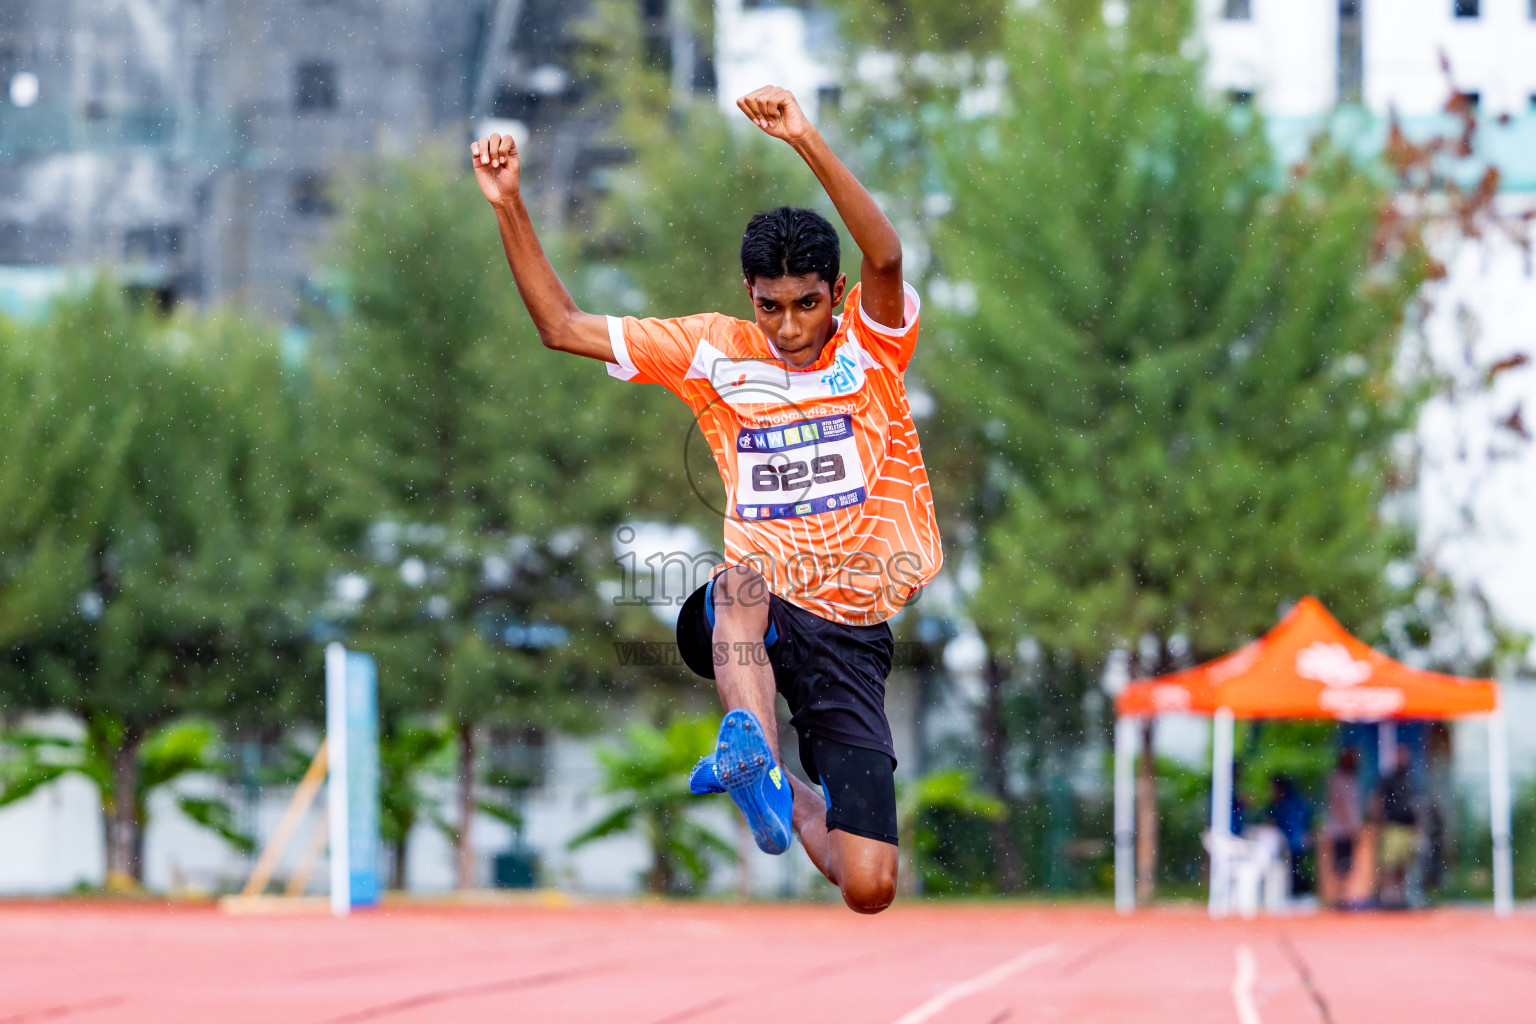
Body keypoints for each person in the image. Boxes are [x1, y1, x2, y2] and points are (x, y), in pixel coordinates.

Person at [470, 86, 942, 914]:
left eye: (807, 305)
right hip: (751, 613)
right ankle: (751, 742)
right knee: (737, 583)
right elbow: (562, 324)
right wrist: (510, 206)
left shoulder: (873, 347)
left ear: (835, 293)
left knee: (869, 887)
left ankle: (779, 791)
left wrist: (805, 138)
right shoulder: (712, 352)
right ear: (747, 294)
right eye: (770, 307)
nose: (790, 327)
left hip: (851, 634)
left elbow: (889, 258)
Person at [1373, 743, 1418, 908]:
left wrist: (1415, 827)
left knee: (1402, 864)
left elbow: (1415, 805)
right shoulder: (1389, 778)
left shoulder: (1409, 779)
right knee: (1388, 864)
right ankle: (1387, 896)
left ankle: (1400, 897)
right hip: (1392, 825)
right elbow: (1378, 800)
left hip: (1406, 827)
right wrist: (1379, 823)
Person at [1264, 775, 1313, 897]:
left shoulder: (1286, 802)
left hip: (1291, 843)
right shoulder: (1291, 801)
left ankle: (1297, 894)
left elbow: (1281, 822)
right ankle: (1297, 894)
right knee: (1295, 870)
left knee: (1293, 870)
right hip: (1293, 842)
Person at [1324, 748, 1362, 895]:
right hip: (1340, 830)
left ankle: (1343, 896)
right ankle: (1339, 897)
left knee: (1347, 865)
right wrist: (1348, 825)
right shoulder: (1337, 779)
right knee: (1340, 865)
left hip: (1348, 828)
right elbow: (1338, 804)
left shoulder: (1352, 779)